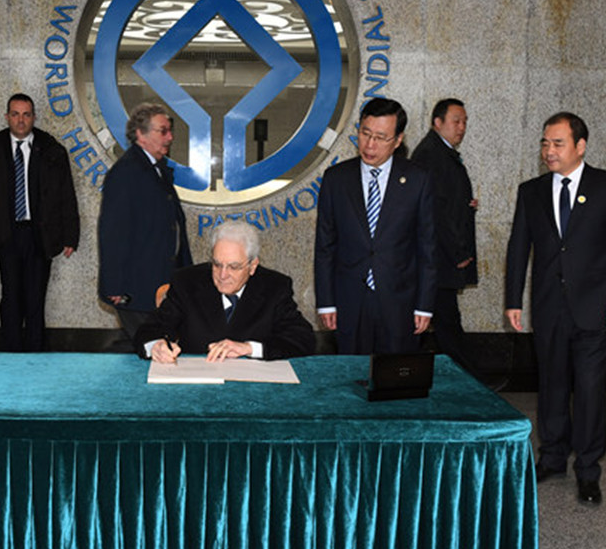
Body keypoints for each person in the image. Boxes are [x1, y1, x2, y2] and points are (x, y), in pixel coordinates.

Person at [505, 112, 606, 506]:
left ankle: (589, 470)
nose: (549, 151)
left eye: (558, 143)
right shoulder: (531, 191)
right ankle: (553, 457)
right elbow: (518, 249)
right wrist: (513, 299)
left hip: (596, 308)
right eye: (545, 143)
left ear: (580, 146)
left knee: (591, 389)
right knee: (553, 385)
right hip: (548, 307)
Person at [314, 97, 438, 355]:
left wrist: (424, 305)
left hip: (399, 300)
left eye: (381, 137)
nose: (370, 145)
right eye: (365, 133)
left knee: (393, 381)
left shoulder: (417, 180)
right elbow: (325, 246)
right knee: (349, 378)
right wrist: (326, 303)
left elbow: (427, 248)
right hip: (349, 300)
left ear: (398, 140)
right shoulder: (336, 179)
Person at [0, 93, 79, 352]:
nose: (21, 120)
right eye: (15, 114)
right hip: (6, 236)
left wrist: (70, 234)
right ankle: (11, 354)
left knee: (35, 300)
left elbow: (66, 194)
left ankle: (35, 355)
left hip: (39, 235)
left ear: (33, 117)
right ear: (7, 117)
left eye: (26, 114)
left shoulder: (52, 150)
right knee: (11, 298)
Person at [135, 220, 314, 362]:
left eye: (234, 267)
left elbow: (302, 338)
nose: (223, 275)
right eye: (217, 264)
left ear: (252, 266)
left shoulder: (275, 287)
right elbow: (151, 329)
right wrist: (156, 346)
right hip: (197, 385)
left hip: (255, 388)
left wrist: (249, 348)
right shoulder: (186, 282)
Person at [98, 102, 192, 341]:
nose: (170, 137)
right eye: (163, 131)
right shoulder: (125, 173)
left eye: (170, 131)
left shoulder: (157, 170)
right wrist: (115, 287)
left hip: (160, 285)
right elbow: (112, 233)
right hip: (136, 290)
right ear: (140, 134)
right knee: (148, 350)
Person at [408, 97, 483, 380]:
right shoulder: (432, 155)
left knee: (445, 322)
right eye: (456, 121)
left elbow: (446, 199)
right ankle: (471, 380)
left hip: (439, 259)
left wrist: (465, 203)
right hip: (439, 259)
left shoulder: (441, 152)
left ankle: (465, 378)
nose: (461, 127)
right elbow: (435, 212)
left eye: (464, 122)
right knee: (447, 323)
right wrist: (459, 252)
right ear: (437, 123)